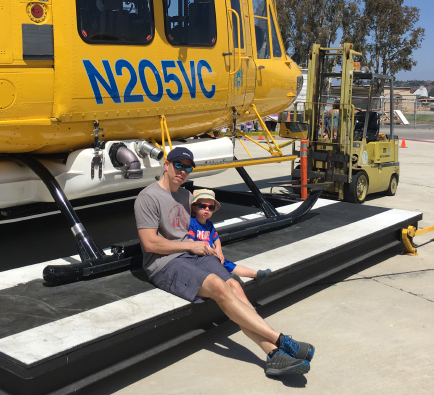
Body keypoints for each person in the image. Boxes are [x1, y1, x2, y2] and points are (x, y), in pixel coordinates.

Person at [134, 147, 315, 377]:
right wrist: (191, 245)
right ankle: (281, 340)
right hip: (164, 263)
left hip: (191, 254)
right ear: (166, 165)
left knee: (234, 285)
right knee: (218, 286)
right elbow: (150, 243)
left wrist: (212, 245)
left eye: (188, 168)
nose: (182, 171)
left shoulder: (185, 196)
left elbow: (201, 226)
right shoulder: (148, 197)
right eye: (178, 164)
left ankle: (273, 354)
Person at [188, 189, 270, 280]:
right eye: (202, 206)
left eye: (211, 207)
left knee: (230, 265)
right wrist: (206, 248)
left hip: (213, 256)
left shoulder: (209, 224)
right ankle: (229, 278)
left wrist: (219, 250)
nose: (207, 209)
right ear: (194, 208)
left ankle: (256, 274)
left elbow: (216, 239)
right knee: (215, 269)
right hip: (201, 257)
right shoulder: (192, 223)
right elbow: (190, 241)